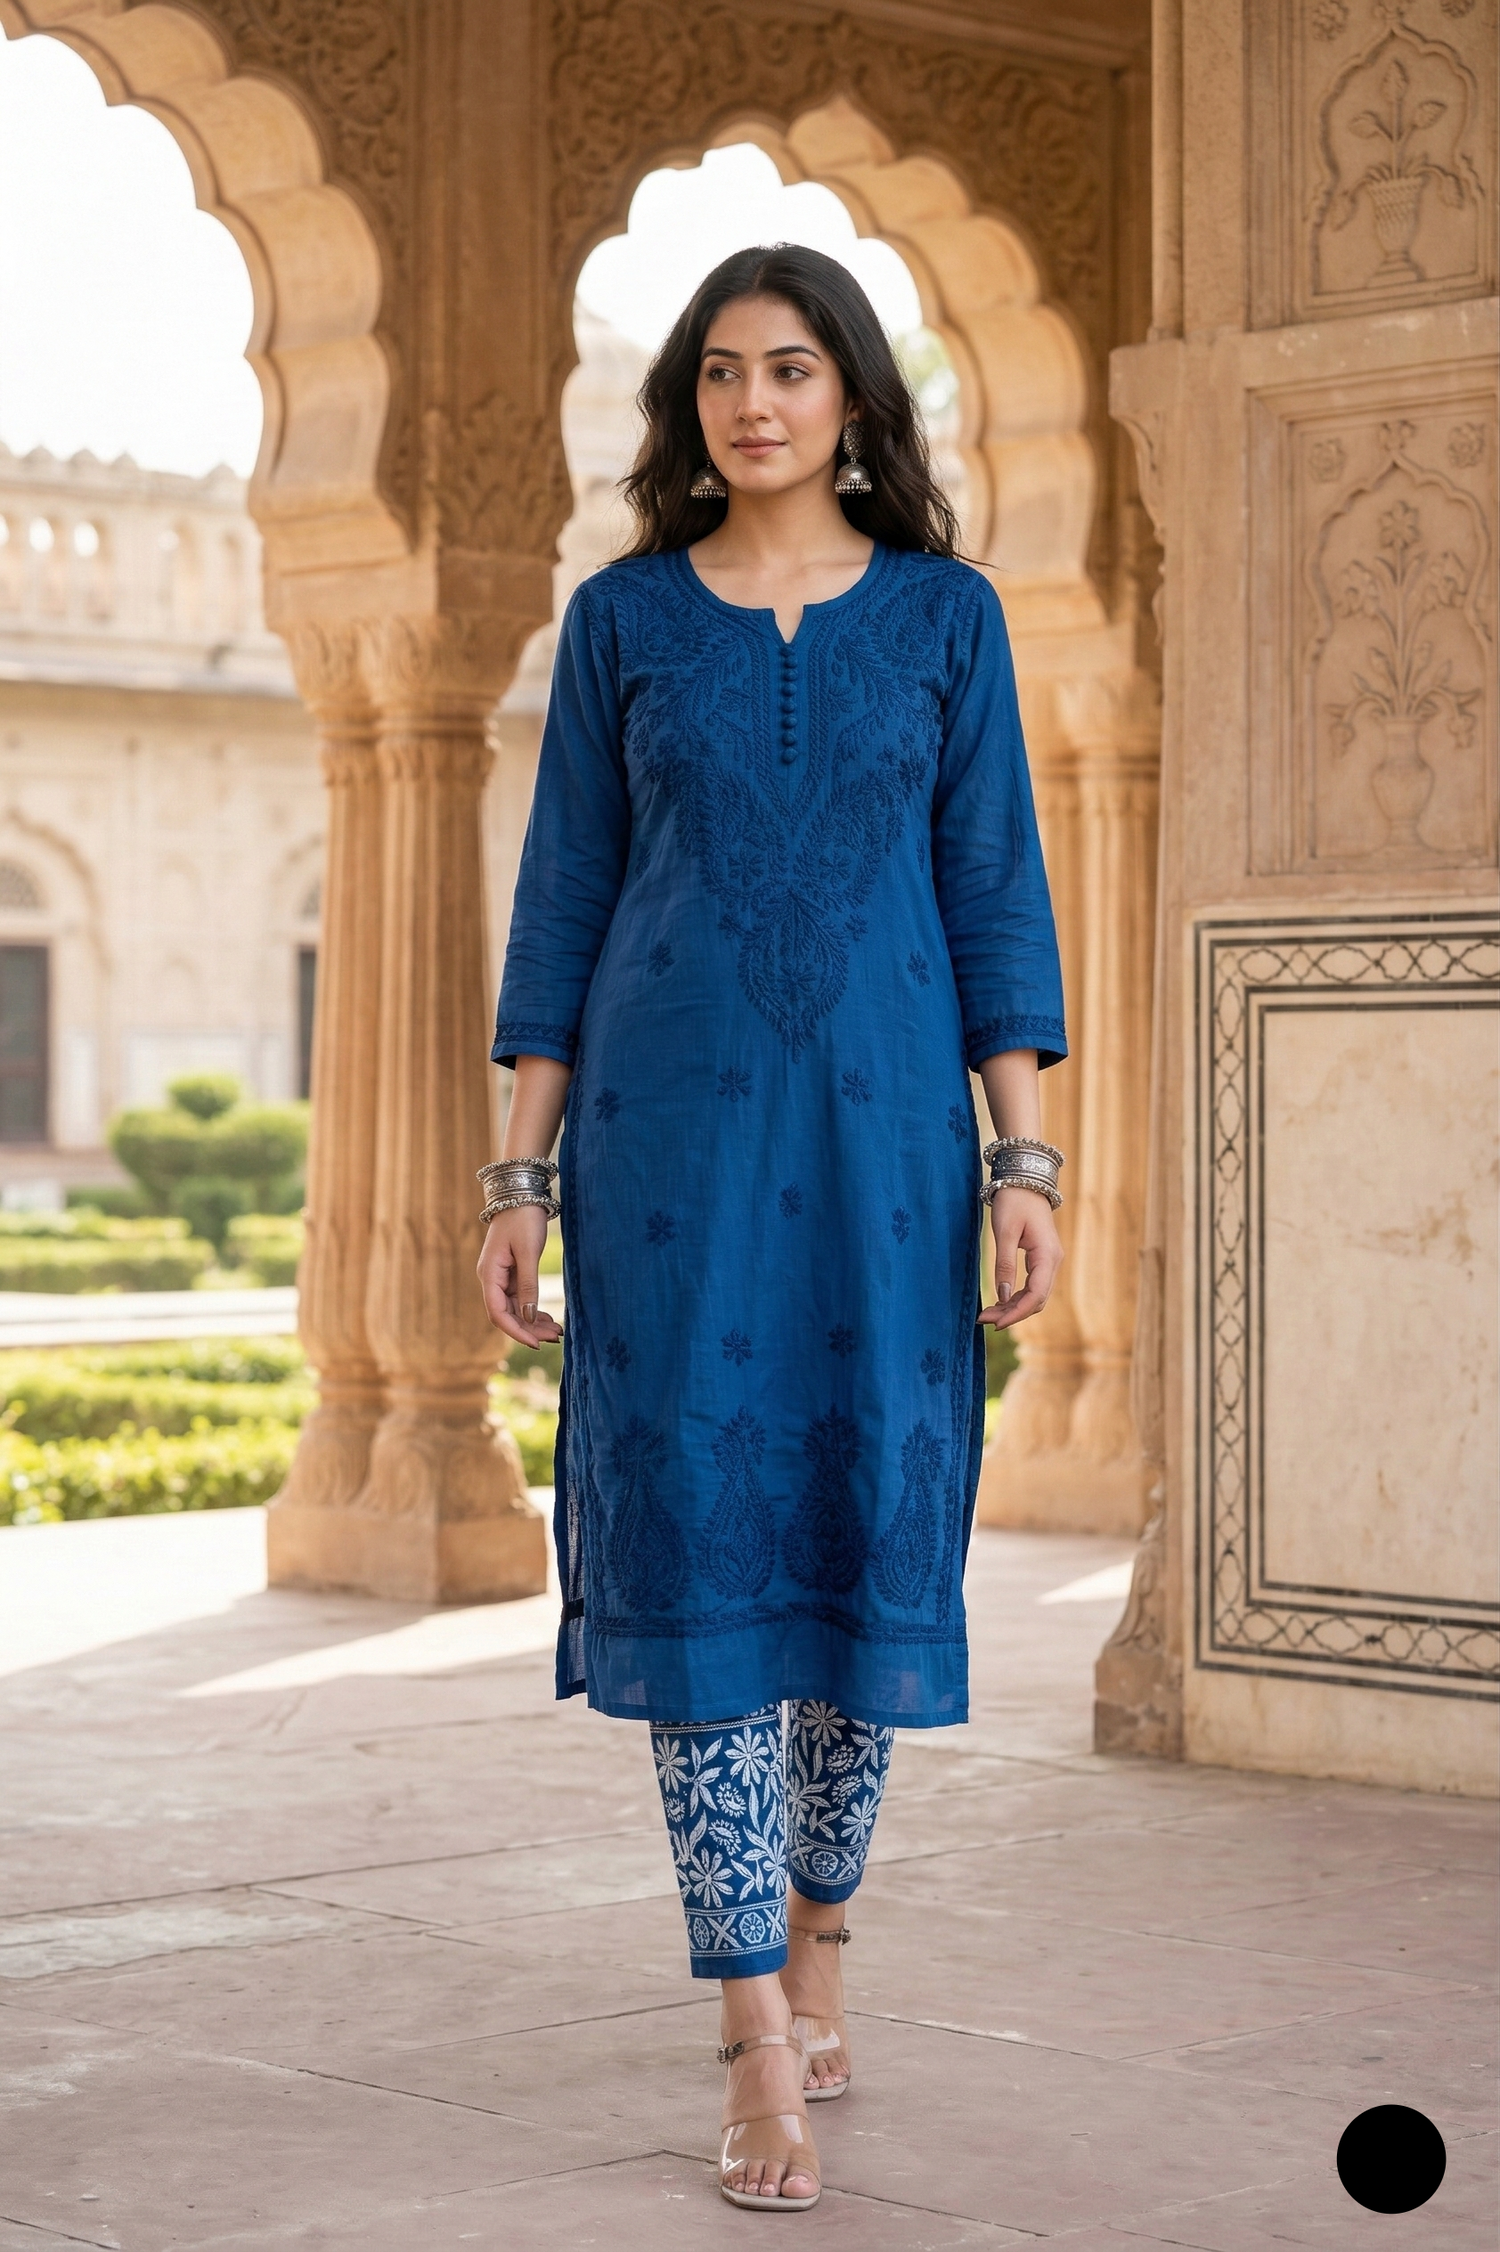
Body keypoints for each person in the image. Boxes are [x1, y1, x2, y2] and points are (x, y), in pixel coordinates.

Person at [478, 243, 1066, 2212]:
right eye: (719, 372)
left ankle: (823, 1936)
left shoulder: (947, 623)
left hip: (894, 1158)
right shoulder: (627, 621)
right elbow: (563, 903)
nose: (752, 404)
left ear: (852, 400)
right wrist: (516, 1174)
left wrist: (1026, 1160)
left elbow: (994, 903)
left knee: (862, 1543)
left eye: (792, 369)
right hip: (672, 1161)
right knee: (710, 1554)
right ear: (687, 410)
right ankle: (750, 2030)